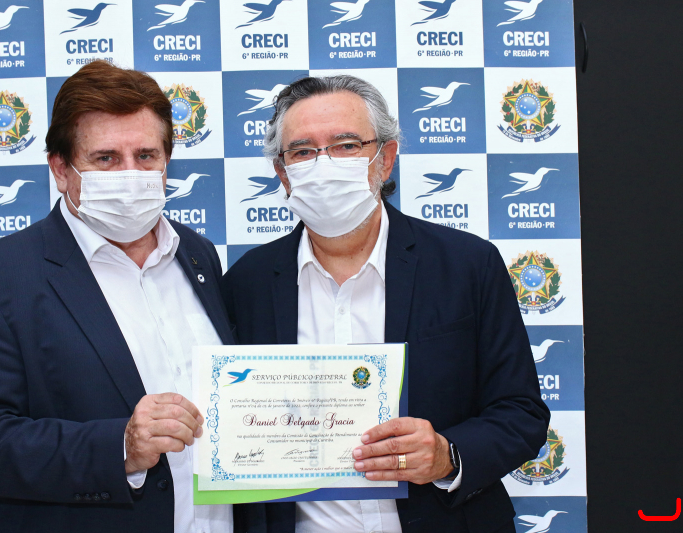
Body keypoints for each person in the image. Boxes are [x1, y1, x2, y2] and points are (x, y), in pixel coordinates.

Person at [223, 76, 551, 533]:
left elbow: (521, 412)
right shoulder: (247, 283)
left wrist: (447, 455)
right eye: (302, 152)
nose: (324, 165)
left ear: (386, 157)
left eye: (346, 146)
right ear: (283, 173)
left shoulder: (467, 265)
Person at [0, 61, 233, 533]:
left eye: (146, 155)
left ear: (167, 162)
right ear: (61, 169)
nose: (131, 174)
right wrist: (120, 447)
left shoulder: (197, 255)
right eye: (106, 158)